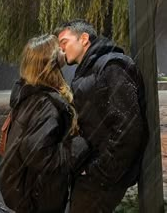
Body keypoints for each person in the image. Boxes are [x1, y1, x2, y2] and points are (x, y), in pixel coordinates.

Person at [55, 19, 149, 213]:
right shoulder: (89, 70)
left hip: (103, 178)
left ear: (84, 39)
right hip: (92, 172)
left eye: (64, 42)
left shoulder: (112, 67)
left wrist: (97, 172)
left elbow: (128, 131)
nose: (61, 49)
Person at [0, 34, 90, 213]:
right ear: (51, 62)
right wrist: (79, 146)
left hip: (28, 194)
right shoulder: (44, 105)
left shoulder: (27, 96)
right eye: (59, 49)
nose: (63, 51)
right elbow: (41, 157)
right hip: (39, 201)